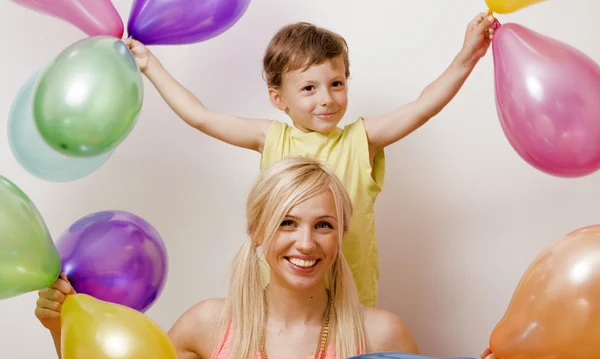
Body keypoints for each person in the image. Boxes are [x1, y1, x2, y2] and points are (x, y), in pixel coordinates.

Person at [35, 158, 524, 359]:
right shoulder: (210, 323)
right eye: (287, 222)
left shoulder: (381, 334)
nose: (305, 244)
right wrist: (64, 332)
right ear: (257, 232)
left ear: (340, 236)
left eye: (323, 225)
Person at [122, 12, 497, 308]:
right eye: (308, 88)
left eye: (336, 84)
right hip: (281, 302)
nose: (327, 99)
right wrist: (151, 65)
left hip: (349, 303)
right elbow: (200, 115)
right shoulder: (270, 138)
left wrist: (467, 57)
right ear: (278, 97)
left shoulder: (360, 141)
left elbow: (423, 106)